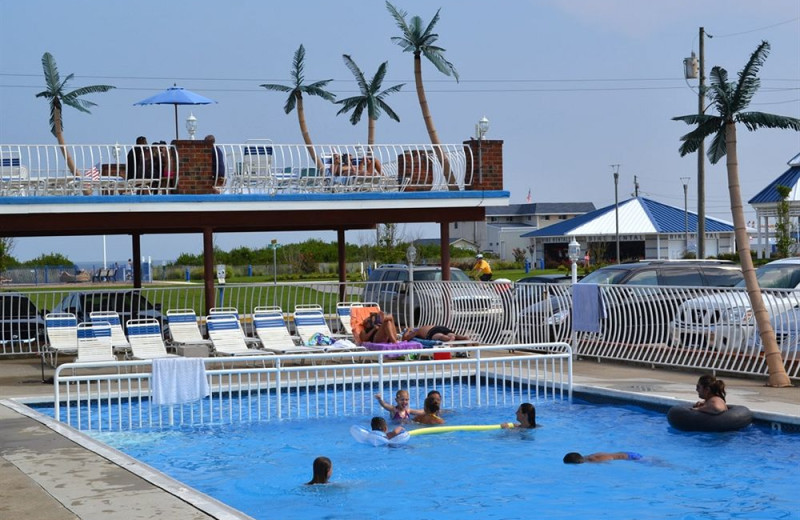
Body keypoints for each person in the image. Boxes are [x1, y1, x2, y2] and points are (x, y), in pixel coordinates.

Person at [402, 325, 471, 343]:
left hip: (432, 331)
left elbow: (405, 338)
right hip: (440, 327)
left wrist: (408, 330)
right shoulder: (423, 327)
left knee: (440, 336)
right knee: (451, 334)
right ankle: (464, 337)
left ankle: (449, 339)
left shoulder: (416, 332)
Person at [563, 451, 643, 464]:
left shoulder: (593, 460)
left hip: (632, 457)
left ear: (578, 462)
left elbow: (610, 460)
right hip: (626, 453)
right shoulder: (587, 457)